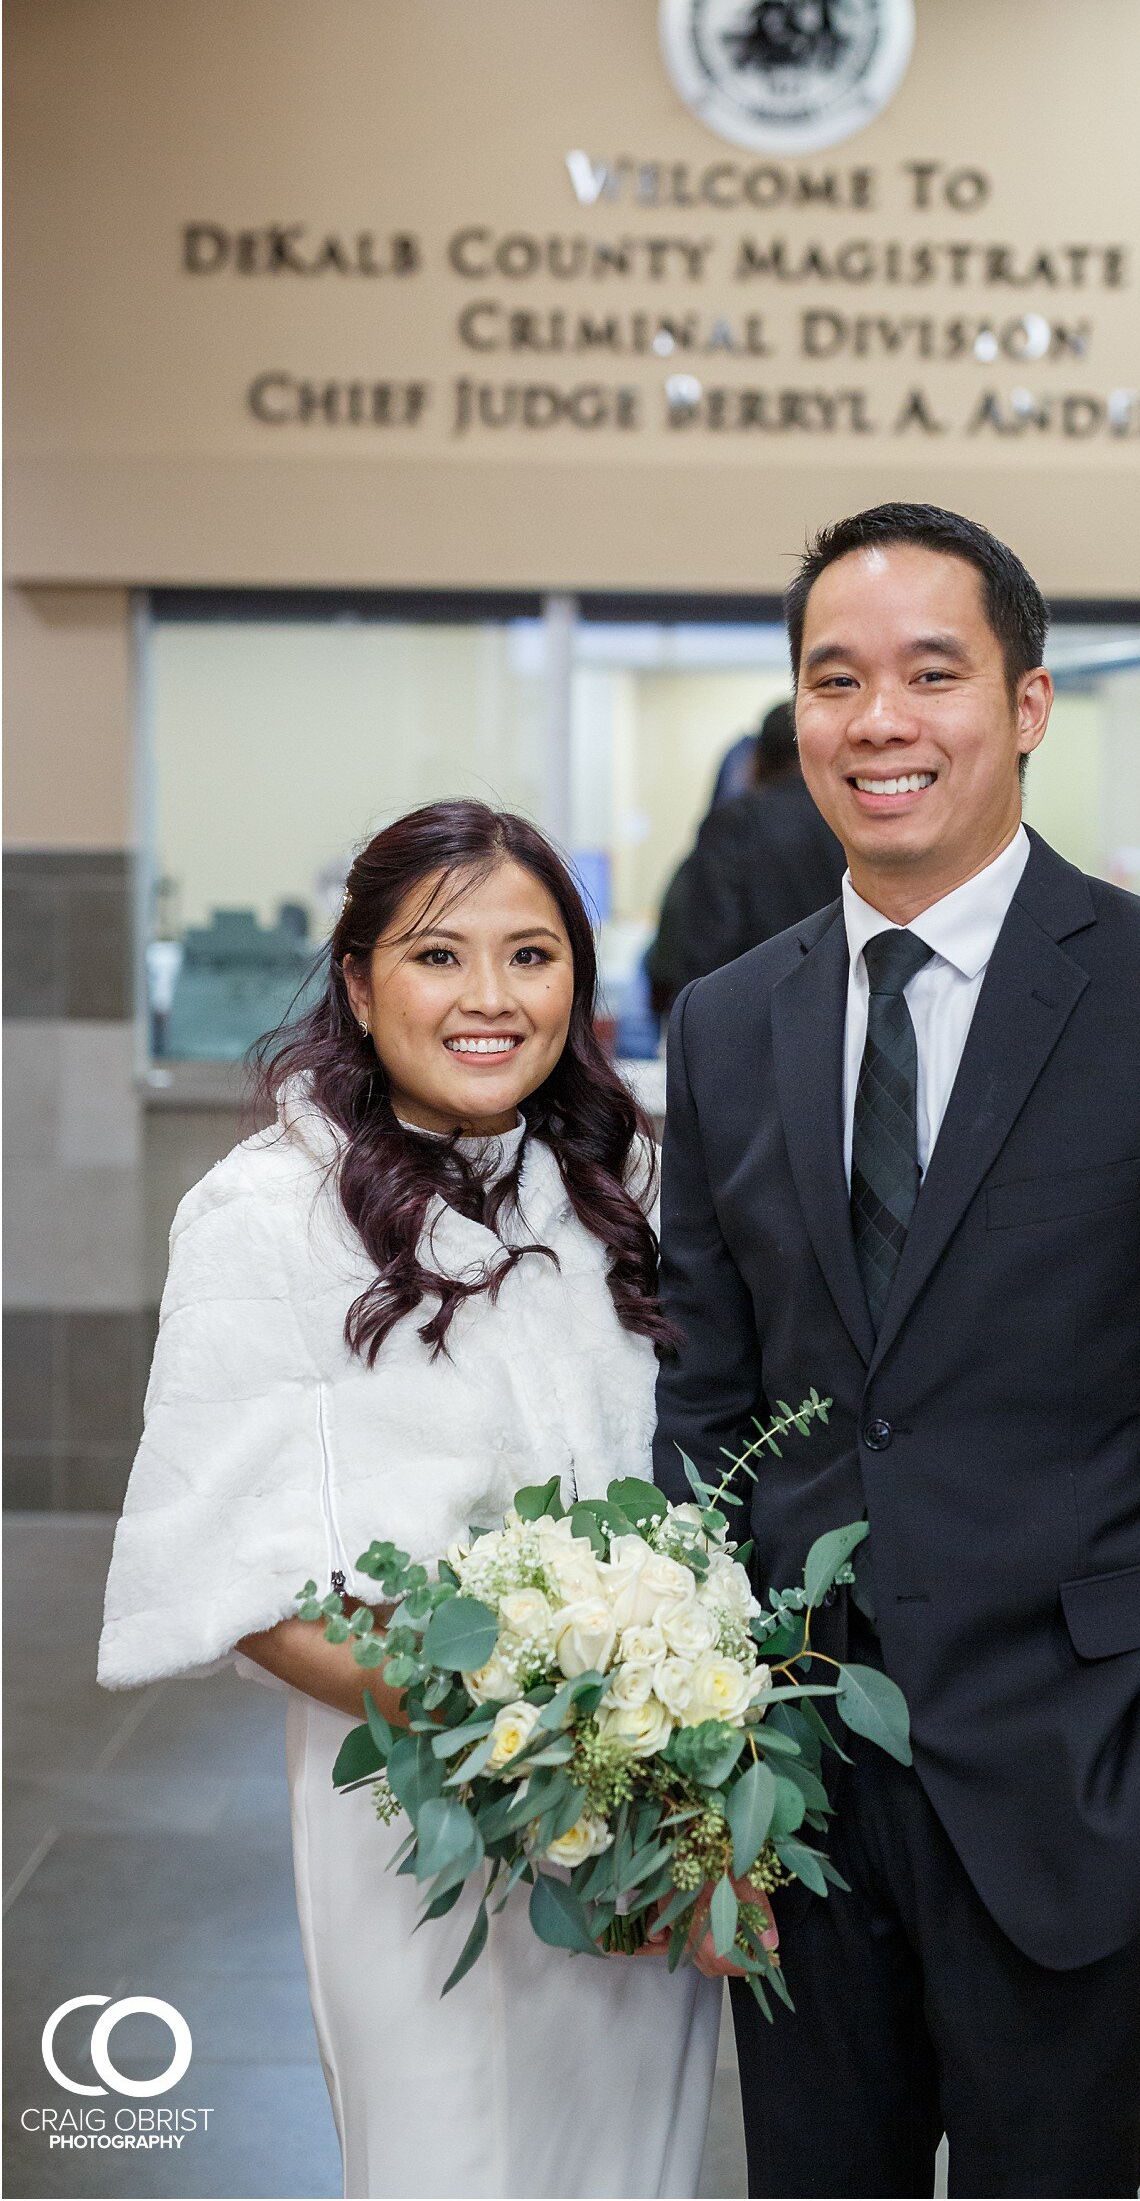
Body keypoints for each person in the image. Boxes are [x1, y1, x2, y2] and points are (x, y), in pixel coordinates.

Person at [652, 503, 1140, 2199]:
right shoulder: (725, 1021)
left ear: (1028, 703)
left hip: (1081, 1764)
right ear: (797, 714)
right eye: (835, 679)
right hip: (792, 1784)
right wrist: (702, 1752)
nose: (882, 720)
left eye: (934, 672)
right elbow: (706, 1390)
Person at [99, 801, 721, 2201]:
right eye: (441, 955)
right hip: (418, 1817)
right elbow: (244, 1584)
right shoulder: (267, 1212)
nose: (492, 998)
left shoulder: (621, 1186)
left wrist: (660, 1804)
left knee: (637, 2165)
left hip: (638, 1839)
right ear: (361, 977)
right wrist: (560, 1767)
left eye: (534, 953)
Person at [645, 701, 845, 1016]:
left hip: (756, 1022)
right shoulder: (854, 820)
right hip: (846, 1019)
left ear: (758, 760)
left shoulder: (736, 825)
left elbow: (707, 947)